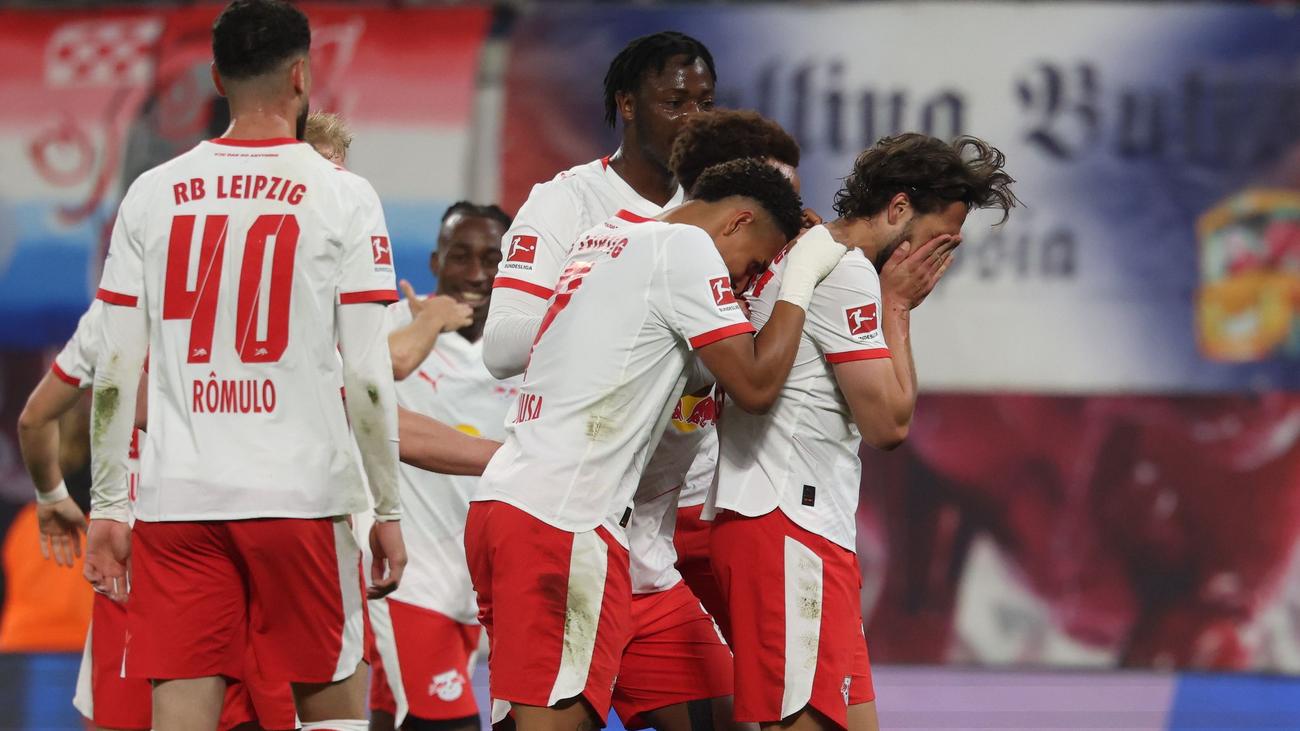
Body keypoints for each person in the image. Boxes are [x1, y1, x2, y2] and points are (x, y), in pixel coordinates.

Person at [83, 2, 405, 729]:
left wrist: (108, 506)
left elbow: (114, 369)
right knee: (330, 704)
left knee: (183, 706)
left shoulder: (151, 193)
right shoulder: (343, 194)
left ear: (216, 78)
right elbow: (367, 376)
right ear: (301, 75)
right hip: (301, 498)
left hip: (178, 500)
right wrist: (386, 510)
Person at [466, 158, 846, 731]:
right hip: (564, 522)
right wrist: (803, 275)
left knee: (725, 714)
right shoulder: (684, 250)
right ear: (738, 221)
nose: (742, 283)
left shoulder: (608, 237)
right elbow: (755, 387)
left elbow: (683, 367)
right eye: (752, 266)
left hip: (545, 512)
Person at [709, 133, 1018, 731]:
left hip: (805, 528)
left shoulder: (809, 251)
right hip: (787, 527)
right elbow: (888, 425)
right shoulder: (845, 272)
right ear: (898, 209)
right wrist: (895, 308)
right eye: (938, 239)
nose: (938, 260)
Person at [18, 302, 297, 731]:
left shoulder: (110, 314)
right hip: (245, 559)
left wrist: (51, 495)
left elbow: (33, 420)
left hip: (138, 570)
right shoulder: (260, 300)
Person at [367, 202, 517, 731]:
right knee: (445, 723)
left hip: (478, 582)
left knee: (394, 713)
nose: (476, 274)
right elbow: (353, 386)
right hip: (407, 575)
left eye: (492, 259)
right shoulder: (396, 327)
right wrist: (428, 320)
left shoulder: (528, 348)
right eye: (460, 256)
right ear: (435, 261)